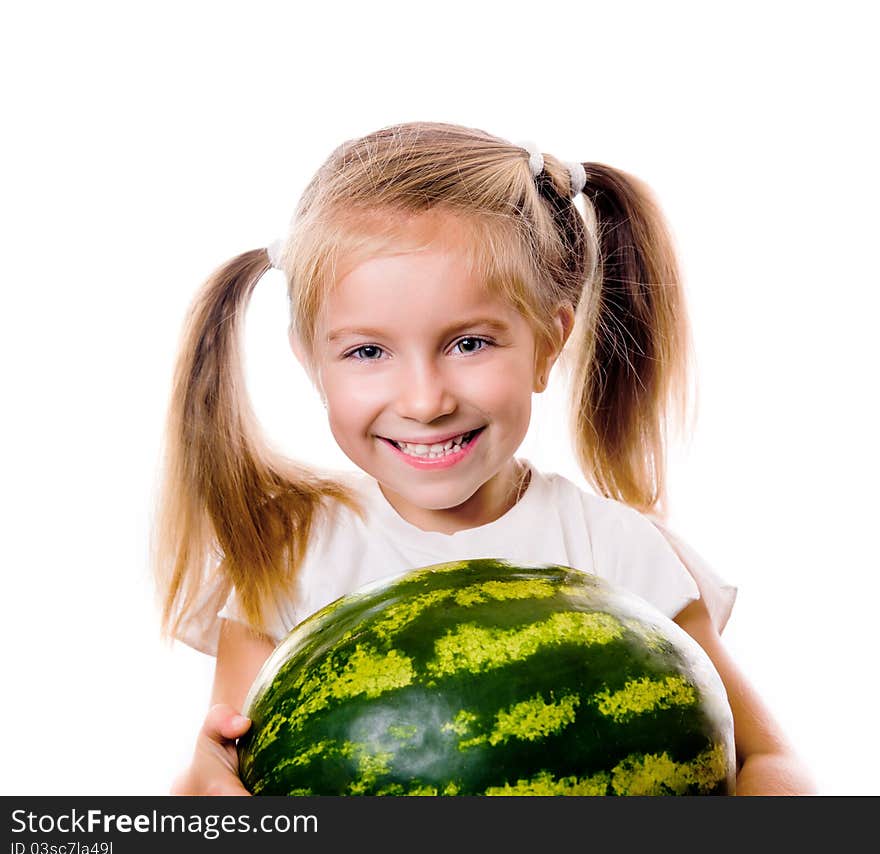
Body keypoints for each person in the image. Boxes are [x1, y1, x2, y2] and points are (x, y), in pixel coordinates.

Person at [151, 121, 817, 796]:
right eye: (367, 352)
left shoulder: (620, 551)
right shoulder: (285, 557)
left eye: (468, 343)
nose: (424, 400)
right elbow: (222, 781)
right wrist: (204, 785)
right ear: (310, 361)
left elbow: (769, 763)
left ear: (548, 343)